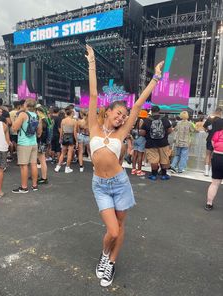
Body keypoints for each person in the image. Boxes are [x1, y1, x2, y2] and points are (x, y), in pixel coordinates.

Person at [85, 44, 163, 287]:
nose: (121, 117)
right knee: (113, 231)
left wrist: (156, 78)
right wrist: (92, 63)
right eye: (118, 113)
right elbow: (95, 93)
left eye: (123, 115)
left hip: (120, 184)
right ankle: (105, 254)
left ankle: (110, 262)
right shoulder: (94, 127)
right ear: (107, 112)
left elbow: (138, 104)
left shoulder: (122, 133)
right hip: (100, 185)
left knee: (120, 227)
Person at [11, 99, 42, 193]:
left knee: (24, 166)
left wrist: (15, 120)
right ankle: (35, 185)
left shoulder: (23, 115)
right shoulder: (37, 116)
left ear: (26, 105)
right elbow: (39, 133)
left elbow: (14, 128)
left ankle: (24, 187)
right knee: (33, 164)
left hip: (24, 143)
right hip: (33, 143)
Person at [141, 106, 172, 181]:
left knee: (153, 160)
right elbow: (170, 130)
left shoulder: (147, 120)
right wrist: (164, 135)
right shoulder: (165, 120)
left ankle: (154, 175)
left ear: (151, 111)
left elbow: (142, 133)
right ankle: (164, 175)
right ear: (159, 111)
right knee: (164, 159)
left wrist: (147, 136)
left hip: (151, 143)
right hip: (163, 143)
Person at [205, 118, 223, 210]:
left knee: (215, 183)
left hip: (217, 157)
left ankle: (209, 203)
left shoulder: (217, 133)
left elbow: (213, 144)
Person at [54, 108, 77, 173]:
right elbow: (75, 132)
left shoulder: (63, 120)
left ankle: (57, 167)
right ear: (71, 113)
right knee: (69, 153)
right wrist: (76, 140)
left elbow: (61, 130)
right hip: (71, 136)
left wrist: (60, 138)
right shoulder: (74, 121)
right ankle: (67, 168)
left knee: (63, 153)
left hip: (64, 136)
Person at [203, 107, 222, 176]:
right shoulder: (222, 121)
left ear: (215, 111)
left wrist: (208, 131)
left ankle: (206, 171)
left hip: (210, 139)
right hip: (219, 141)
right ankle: (212, 171)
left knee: (208, 155)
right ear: (220, 112)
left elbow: (204, 128)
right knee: (215, 156)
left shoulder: (209, 119)